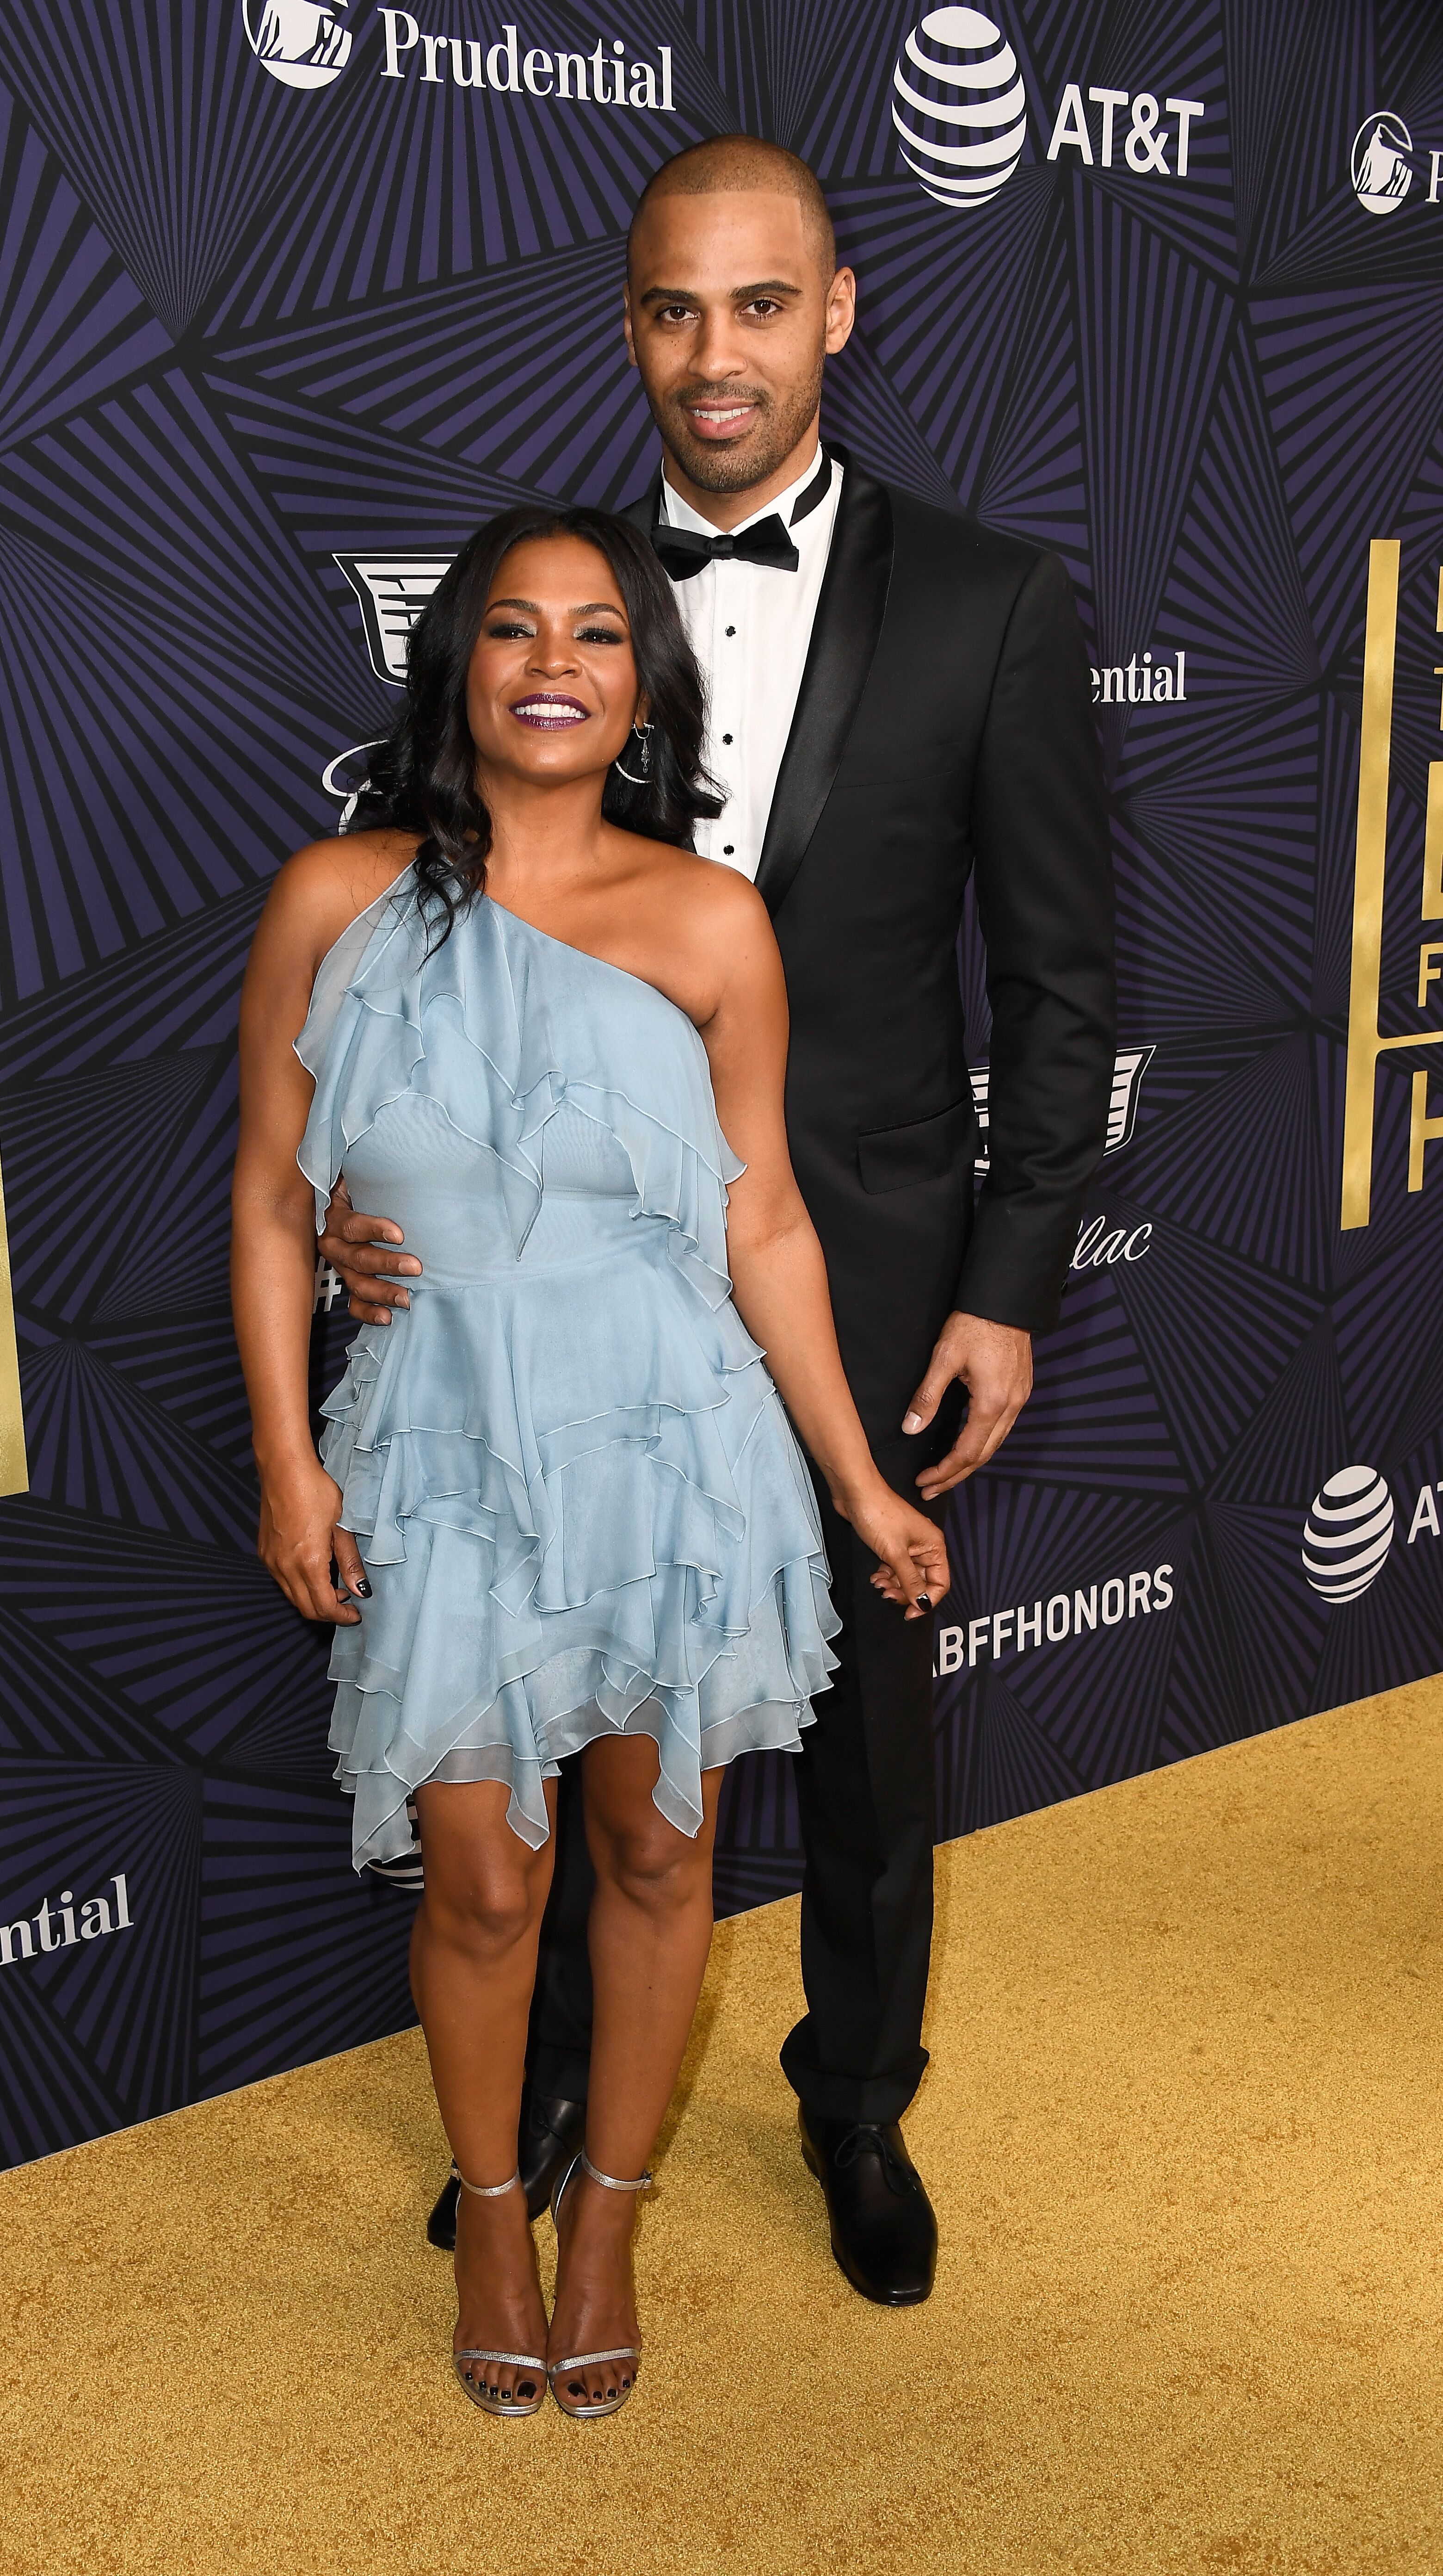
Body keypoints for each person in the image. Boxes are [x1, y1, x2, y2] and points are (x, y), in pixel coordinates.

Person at [321, 136, 1116, 2310]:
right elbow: (404, 981)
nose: (716, 356)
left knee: (856, 1721)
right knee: (573, 1716)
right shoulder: (558, 598)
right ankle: (553, 2095)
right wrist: (345, 1228)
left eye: (760, 307)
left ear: (838, 315)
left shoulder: (987, 603)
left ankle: (855, 2107)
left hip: (838, 1252)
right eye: (674, 310)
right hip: (551, 1294)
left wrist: (1007, 1289)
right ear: (630, 326)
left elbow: (1060, 986)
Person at [233, 503, 950, 2416]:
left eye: (598, 634)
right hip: (443, 1453)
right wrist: (290, 1466)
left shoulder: (711, 919)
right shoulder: (335, 896)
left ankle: (610, 2210)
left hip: (674, 1453)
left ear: (642, 684)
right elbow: (258, 1197)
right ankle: (491, 2206)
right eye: (514, 631)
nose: (555, 663)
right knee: (479, 1881)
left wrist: (859, 1480)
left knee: (653, 1846)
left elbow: (768, 1220)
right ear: (455, 667)